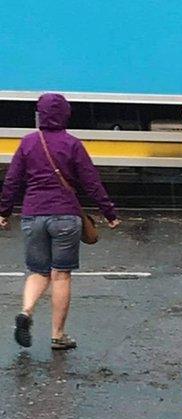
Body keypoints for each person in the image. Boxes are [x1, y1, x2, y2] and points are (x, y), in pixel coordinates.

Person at [0, 93, 121, 349]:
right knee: (61, 275)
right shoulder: (72, 144)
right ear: (65, 114)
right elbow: (91, 182)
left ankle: (26, 311)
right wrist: (109, 213)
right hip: (65, 216)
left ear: (39, 115)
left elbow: (12, 180)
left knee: (37, 271)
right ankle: (57, 335)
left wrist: (4, 212)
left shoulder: (28, 143)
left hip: (33, 214)